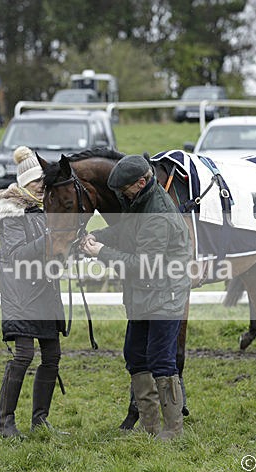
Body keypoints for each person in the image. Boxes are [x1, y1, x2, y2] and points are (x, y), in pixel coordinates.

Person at [81, 155, 191, 440]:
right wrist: (98, 236)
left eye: (124, 189)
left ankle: (173, 430)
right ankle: (150, 426)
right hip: (144, 294)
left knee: (161, 359)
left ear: (141, 182)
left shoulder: (157, 215)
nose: (121, 194)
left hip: (164, 295)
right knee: (135, 355)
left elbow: (145, 264)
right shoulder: (140, 202)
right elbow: (127, 232)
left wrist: (100, 253)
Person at [0, 146, 66, 438]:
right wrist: (50, 239)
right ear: (23, 181)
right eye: (35, 180)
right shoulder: (12, 213)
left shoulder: (45, 209)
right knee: (23, 356)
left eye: (42, 180)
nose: (40, 184)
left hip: (45, 292)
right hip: (21, 294)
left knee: (52, 356)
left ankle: (40, 420)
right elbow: (16, 255)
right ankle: (5, 423)